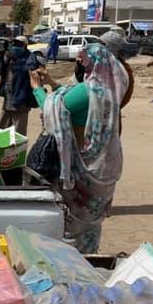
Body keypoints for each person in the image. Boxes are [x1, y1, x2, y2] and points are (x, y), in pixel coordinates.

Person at [29, 43, 130, 253]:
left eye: (84, 62)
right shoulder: (110, 88)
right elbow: (70, 100)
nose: (82, 66)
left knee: (72, 222)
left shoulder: (90, 89)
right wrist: (52, 82)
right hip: (104, 165)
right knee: (91, 223)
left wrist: (37, 88)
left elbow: (54, 108)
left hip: (82, 167)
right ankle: (89, 256)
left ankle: (74, 264)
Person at [0, 38, 39, 136]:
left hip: (21, 99)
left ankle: (18, 151)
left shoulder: (30, 57)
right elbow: (0, 71)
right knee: (2, 129)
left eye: (17, 44)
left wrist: (16, 61)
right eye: (13, 43)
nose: (14, 46)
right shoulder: (10, 56)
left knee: (18, 132)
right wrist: (2, 58)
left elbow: (27, 71)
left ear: (24, 46)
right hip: (9, 97)